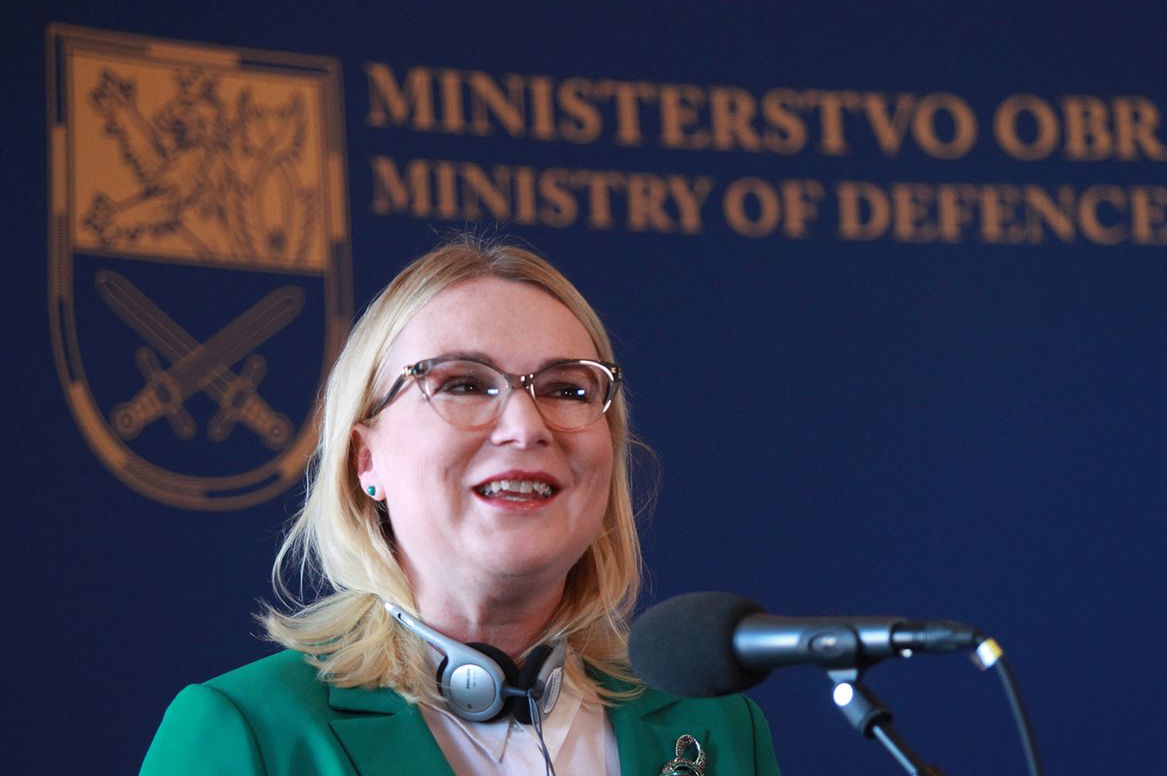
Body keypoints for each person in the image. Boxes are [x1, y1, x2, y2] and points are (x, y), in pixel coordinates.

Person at [141, 234, 780, 775]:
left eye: (566, 388)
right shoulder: (249, 732)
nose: (526, 427)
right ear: (367, 460)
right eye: (464, 384)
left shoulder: (719, 728)